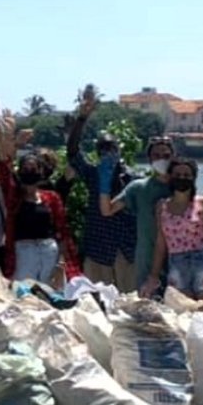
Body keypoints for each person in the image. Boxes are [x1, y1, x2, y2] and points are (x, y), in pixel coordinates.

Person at [0, 102, 81, 286]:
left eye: (34, 167)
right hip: (23, 253)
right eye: (25, 167)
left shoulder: (51, 197)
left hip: (49, 252)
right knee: (23, 298)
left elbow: (62, 232)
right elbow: (2, 164)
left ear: (41, 172)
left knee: (50, 297)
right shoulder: (14, 197)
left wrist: (61, 265)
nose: (29, 170)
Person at [66, 89, 137, 290]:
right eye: (102, 150)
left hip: (126, 251)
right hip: (98, 248)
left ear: (119, 150)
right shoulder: (93, 175)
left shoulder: (133, 179)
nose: (107, 153)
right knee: (96, 304)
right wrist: (82, 119)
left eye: (111, 148)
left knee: (127, 305)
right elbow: (73, 152)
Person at [141, 158, 203, 300]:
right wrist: (153, 276)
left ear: (194, 178)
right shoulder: (162, 206)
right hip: (177, 262)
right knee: (182, 311)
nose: (182, 178)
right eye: (178, 175)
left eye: (187, 175)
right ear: (170, 177)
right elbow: (161, 243)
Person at [99, 135, 176, 294]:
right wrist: (104, 184)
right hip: (146, 262)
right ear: (149, 159)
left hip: (178, 261)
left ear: (173, 157)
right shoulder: (138, 187)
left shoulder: (182, 185)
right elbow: (107, 210)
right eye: (156, 156)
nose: (161, 159)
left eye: (166, 156)